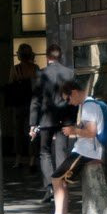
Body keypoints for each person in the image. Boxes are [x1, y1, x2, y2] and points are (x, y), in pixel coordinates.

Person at [38, 81, 107, 214]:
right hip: (86, 150)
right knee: (59, 179)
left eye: (68, 99)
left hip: (86, 152)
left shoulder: (88, 106)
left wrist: (74, 131)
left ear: (74, 92)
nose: (69, 103)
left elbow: (91, 132)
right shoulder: (88, 104)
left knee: (57, 178)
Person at [29, 43, 76, 205]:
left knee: (44, 152)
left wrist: (32, 124)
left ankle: (50, 186)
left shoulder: (41, 74)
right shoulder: (70, 73)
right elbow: (73, 99)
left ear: (47, 57)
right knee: (62, 152)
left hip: (46, 120)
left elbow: (36, 100)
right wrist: (72, 122)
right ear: (60, 56)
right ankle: (61, 186)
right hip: (64, 119)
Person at [7, 43, 40, 168]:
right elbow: (38, 86)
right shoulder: (35, 68)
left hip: (18, 105)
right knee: (32, 131)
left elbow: (10, 86)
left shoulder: (15, 69)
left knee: (18, 132)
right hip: (32, 104)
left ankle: (18, 159)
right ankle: (32, 160)